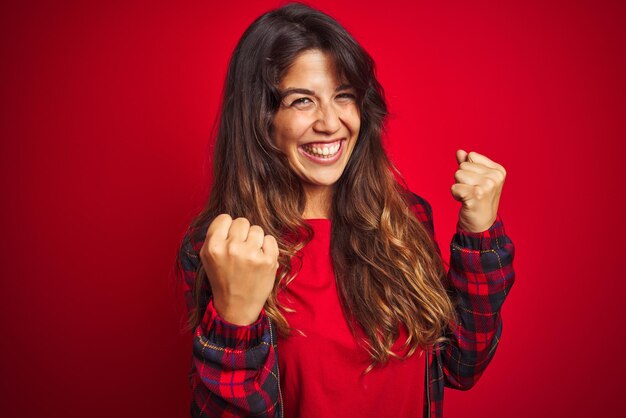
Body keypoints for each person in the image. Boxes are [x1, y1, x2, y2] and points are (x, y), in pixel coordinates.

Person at [175, 3, 515, 417]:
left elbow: (461, 365)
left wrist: (479, 237)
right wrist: (234, 321)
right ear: (261, 118)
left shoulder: (404, 220)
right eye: (302, 101)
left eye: (343, 96)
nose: (331, 123)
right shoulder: (221, 250)